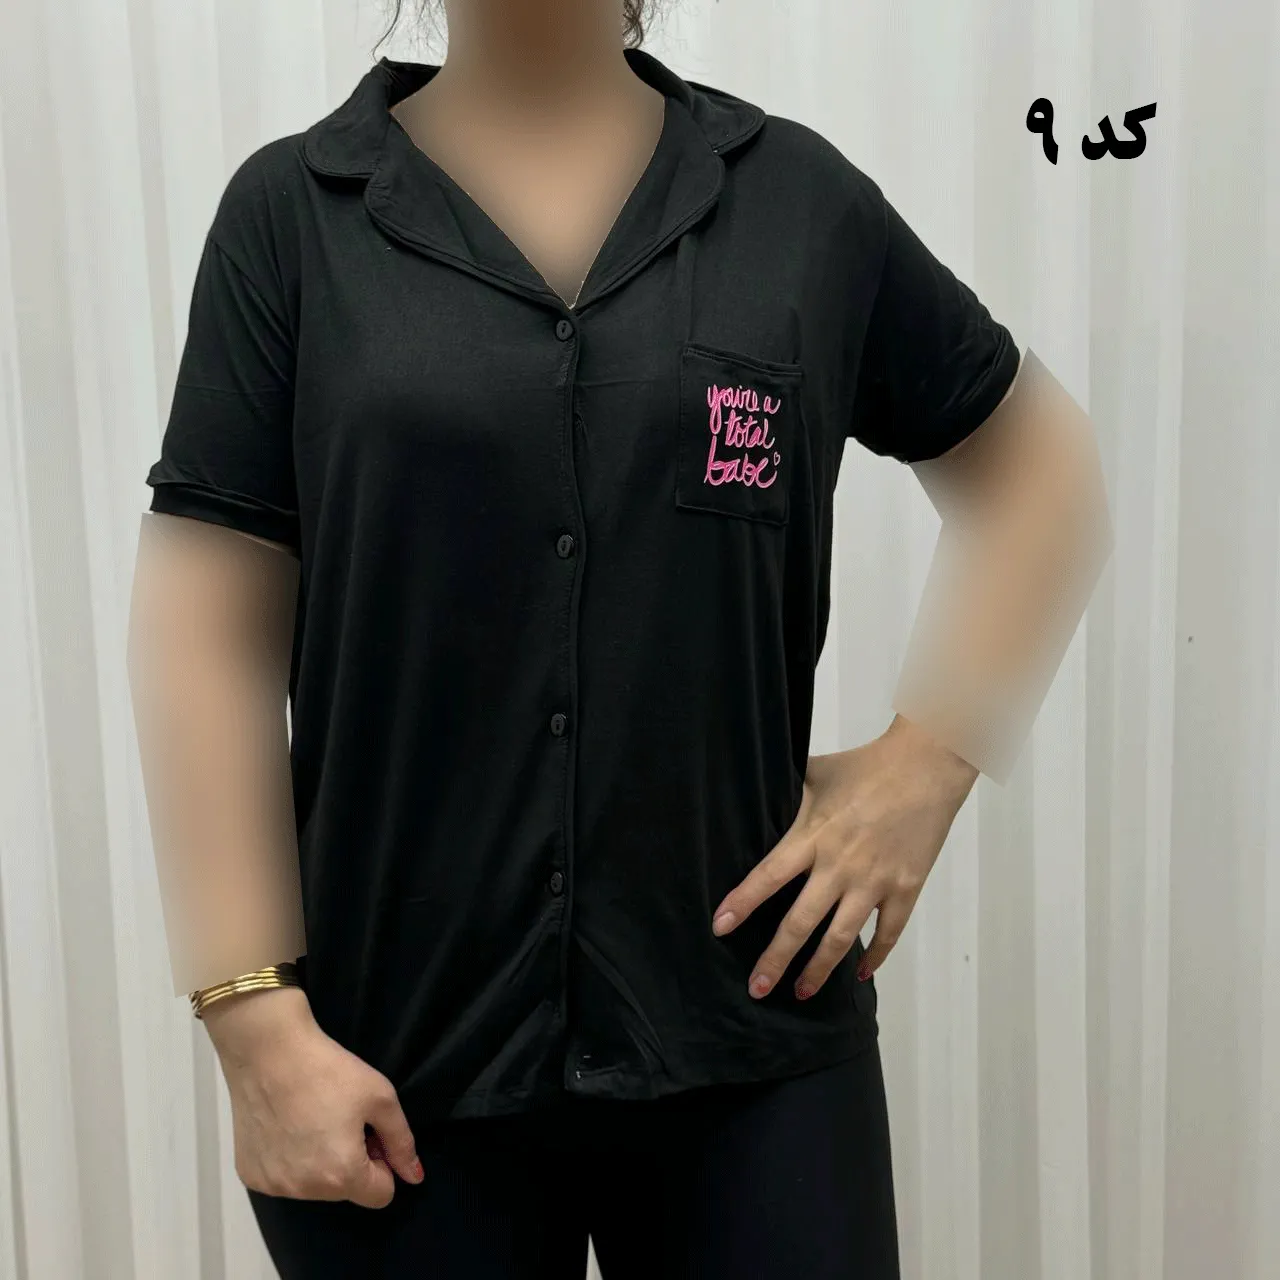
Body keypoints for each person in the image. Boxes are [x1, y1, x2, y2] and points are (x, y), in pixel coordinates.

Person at [126, 1, 1113, 1276]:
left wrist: (922, 768)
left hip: (751, 1037)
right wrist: (251, 1017)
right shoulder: (291, 221)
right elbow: (206, 624)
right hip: (389, 1068)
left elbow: (1037, 465)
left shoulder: (800, 207)